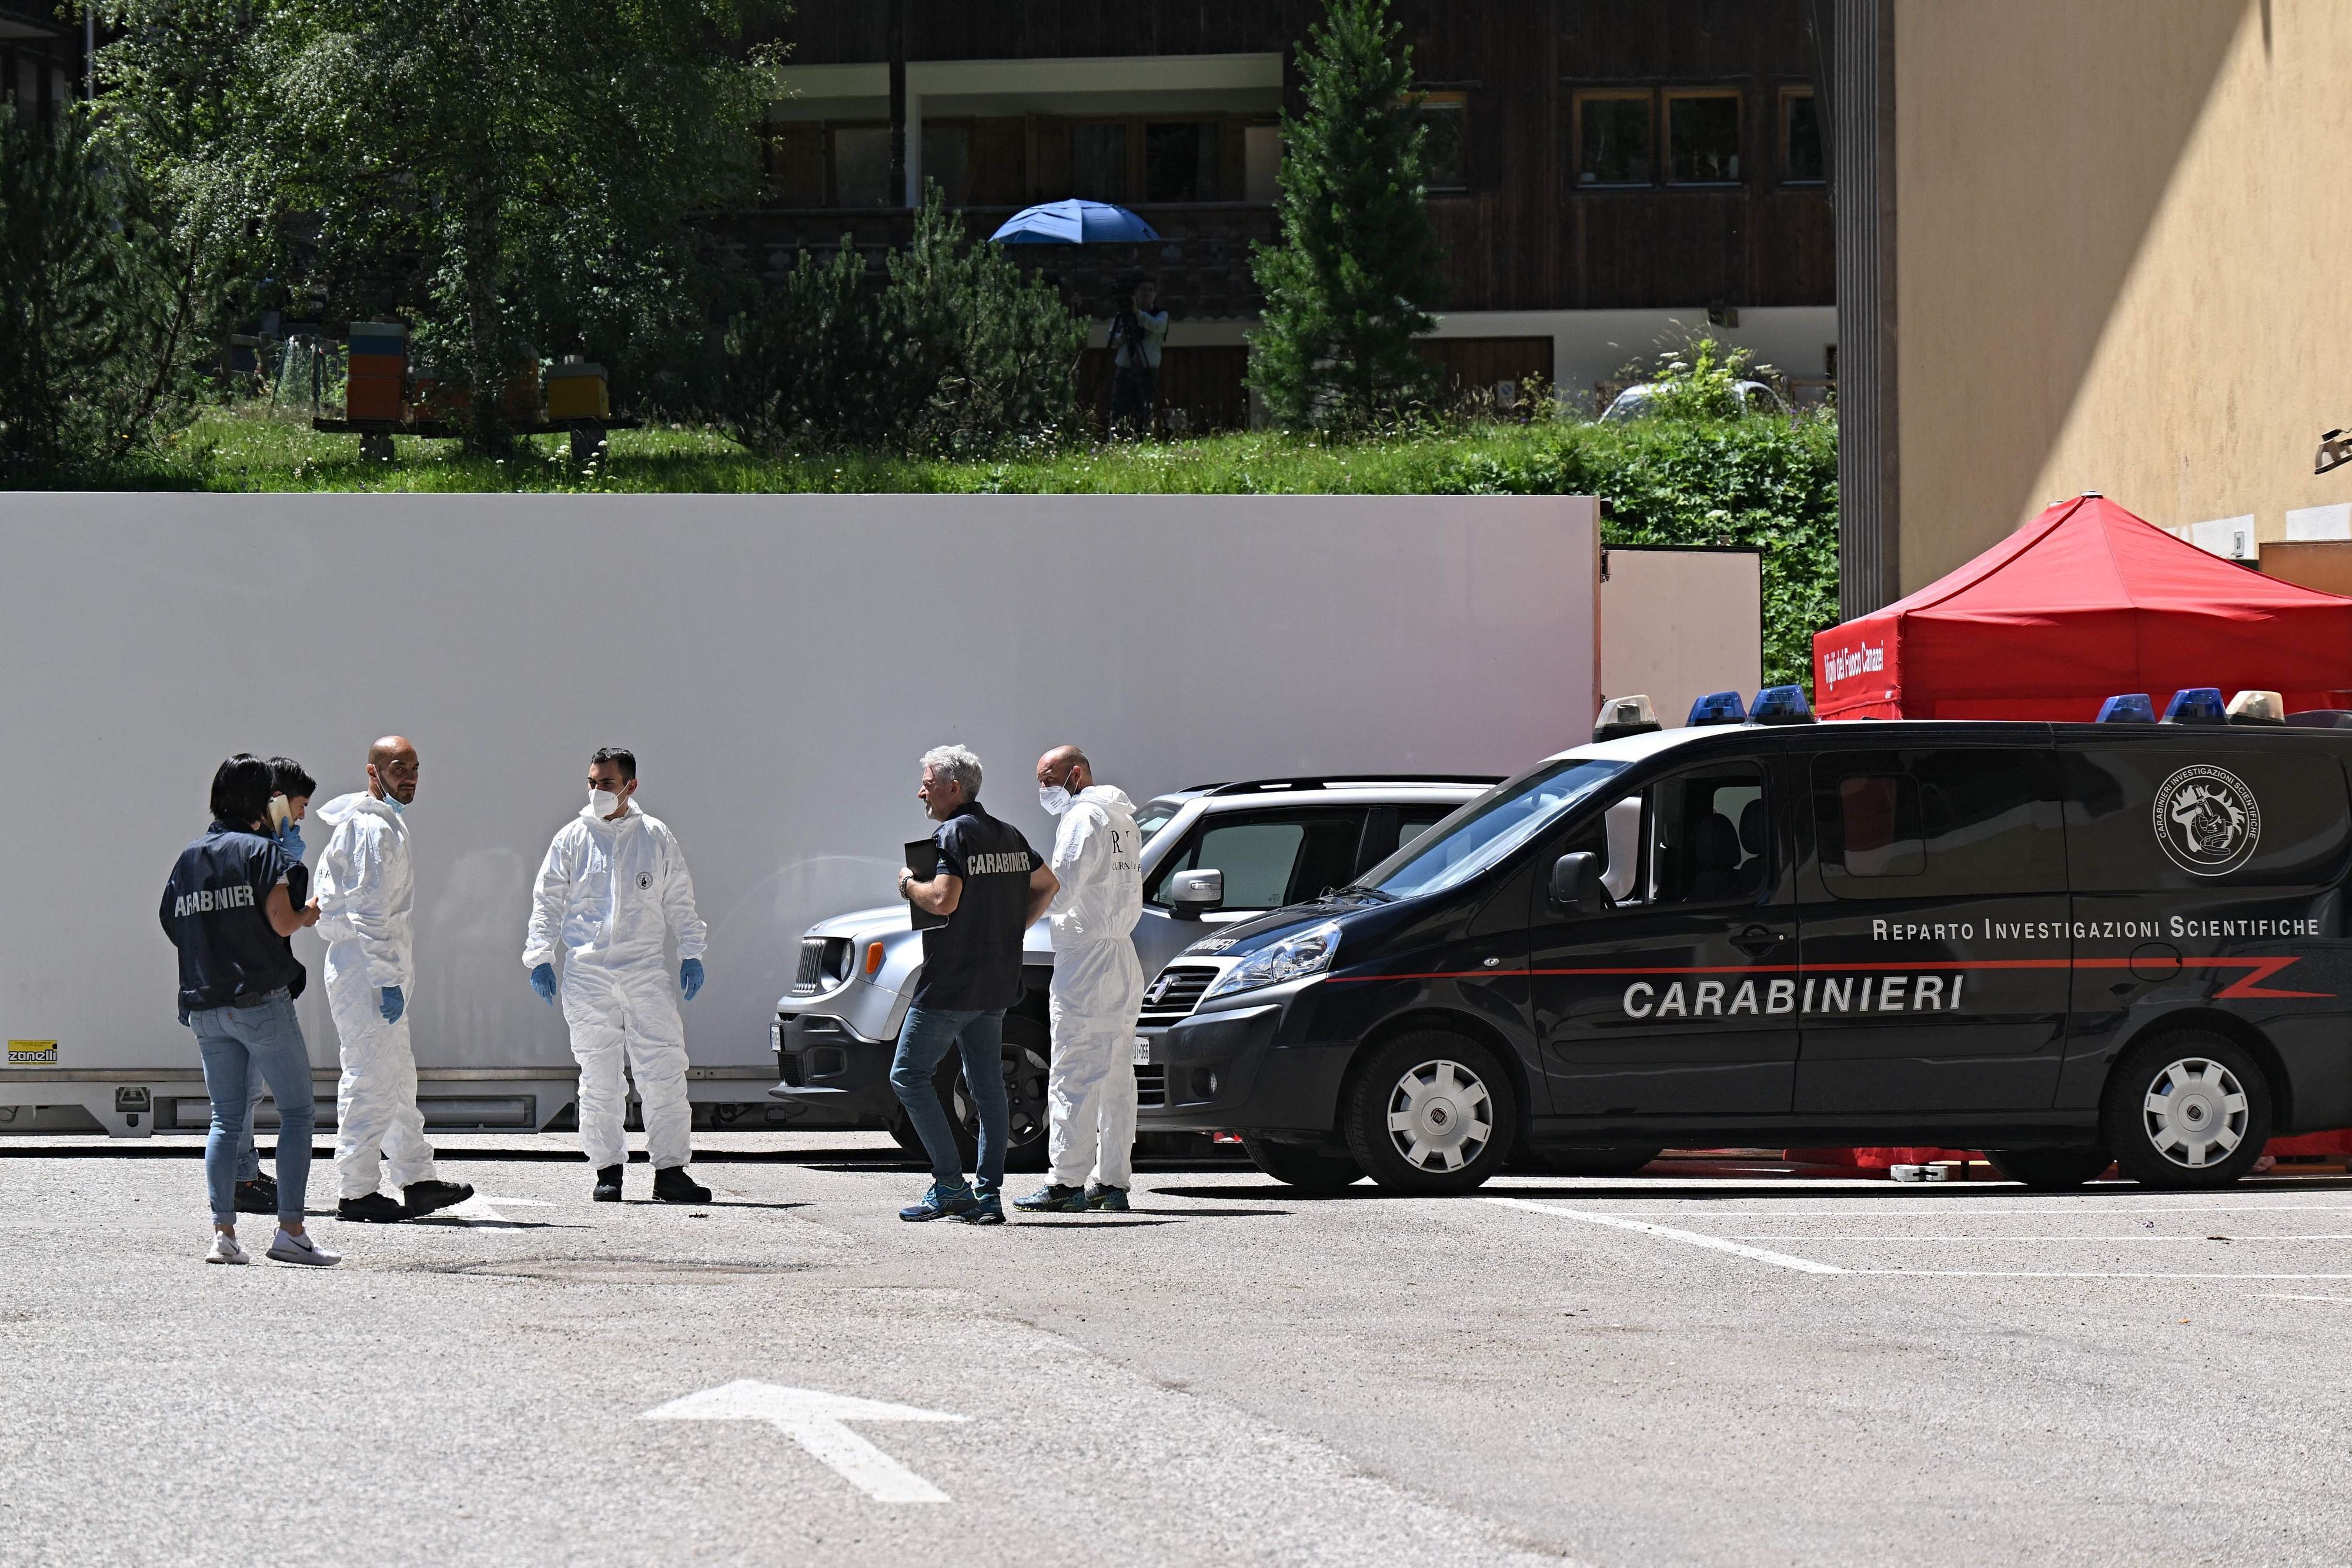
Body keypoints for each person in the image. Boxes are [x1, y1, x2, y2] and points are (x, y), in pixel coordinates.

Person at [160, 755, 339, 1266]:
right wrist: (310, 912)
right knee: (298, 1113)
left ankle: (223, 1234)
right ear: (268, 802)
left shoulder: (190, 856)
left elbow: (172, 920)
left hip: (205, 1004)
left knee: (225, 1117)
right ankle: (291, 1232)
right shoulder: (264, 851)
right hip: (259, 1001)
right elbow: (283, 922)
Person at [522, 747, 713, 1205]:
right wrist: (540, 957)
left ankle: (670, 1170)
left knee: (664, 1070)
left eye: (606, 783)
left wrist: (691, 950)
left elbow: (679, 898)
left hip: (645, 968)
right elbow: (547, 900)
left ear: (631, 785)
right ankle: (608, 1170)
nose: (596, 791)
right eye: (591, 782)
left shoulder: (655, 836)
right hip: (587, 974)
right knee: (599, 1075)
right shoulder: (571, 838)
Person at [891, 745, 1058, 1225]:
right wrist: (1011, 929)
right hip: (997, 984)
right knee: (989, 1088)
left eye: (927, 782)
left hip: (951, 984)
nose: (921, 790)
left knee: (908, 1075)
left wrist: (907, 883)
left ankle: (949, 1184)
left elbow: (943, 900)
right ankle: (988, 1196)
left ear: (953, 787)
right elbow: (1048, 884)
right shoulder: (1009, 835)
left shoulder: (950, 835)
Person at [312, 735, 473, 1223]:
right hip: (366, 969)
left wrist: (391, 976)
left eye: (416, 767)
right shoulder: (372, 830)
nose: (410, 776)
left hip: (375, 969)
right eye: (399, 767)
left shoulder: (383, 824)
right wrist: (384, 978)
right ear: (373, 772)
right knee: (370, 1078)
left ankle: (416, 1179)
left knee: (397, 1077)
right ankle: (357, 1190)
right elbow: (368, 910)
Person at [1016, 746, 1148, 1214]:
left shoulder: (1081, 818)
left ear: (1075, 774)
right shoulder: (1124, 820)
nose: (1044, 790)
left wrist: (1014, 907)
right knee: (1116, 1075)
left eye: (1048, 778)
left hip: (1086, 958)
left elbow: (1060, 890)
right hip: (1122, 956)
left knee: (1073, 1067)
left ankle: (1066, 1182)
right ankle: (1112, 1181)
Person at [230, 755, 318, 1218]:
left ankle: (243, 1171)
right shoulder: (258, 850)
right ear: (278, 802)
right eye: (299, 805)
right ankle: (241, 1180)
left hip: (237, 984)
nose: (302, 816)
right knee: (251, 1095)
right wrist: (287, 865)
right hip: (255, 985)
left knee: (243, 1092)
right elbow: (284, 917)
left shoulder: (257, 846)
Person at [1108, 278, 1169, 437]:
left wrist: (1138, 314)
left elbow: (1157, 326)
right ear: (1136, 294)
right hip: (1125, 368)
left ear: (1155, 294)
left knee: (1144, 408)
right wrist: (1124, 335)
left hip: (1147, 369)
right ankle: (1118, 439)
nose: (1147, 294)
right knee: (1119, 408)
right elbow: (1112, 340)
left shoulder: (1161, 314)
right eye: (1143, 290)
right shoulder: (1122, 315)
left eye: (1150, 290)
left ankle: (1143, 438)